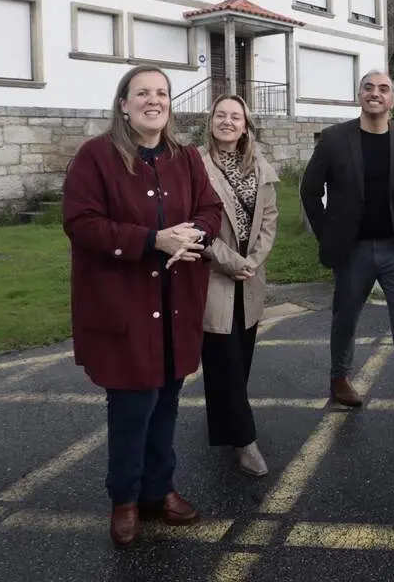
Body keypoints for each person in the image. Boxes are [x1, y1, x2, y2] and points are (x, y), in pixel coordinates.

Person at [62, 65, 223, 549]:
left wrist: (193, 233)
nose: (154, 100)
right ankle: (125, 500)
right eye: (143, 93)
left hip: (176, 305)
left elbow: (210, 211)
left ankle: (159, 490)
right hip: (124, 305)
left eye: (162, 93)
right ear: (124, 104)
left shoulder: (186, 157)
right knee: (133, 406)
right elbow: (80, 222)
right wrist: (153, 239)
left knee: (168, 402)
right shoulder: (96, 156)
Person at [298, 71, 394, 430]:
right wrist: (327, 233)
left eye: (384, 89)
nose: (375, 93)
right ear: (359, 95)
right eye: (369, 88)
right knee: (345, 319)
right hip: (352, 250)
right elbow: (309, 190)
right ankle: (339, 378)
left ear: (392, 100)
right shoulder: (334, 139)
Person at [199, 94, 278, 477]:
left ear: (245, 126)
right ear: (210, 121)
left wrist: (252, 261)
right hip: (214, 277)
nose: (227, 121)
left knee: (239, 361)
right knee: (224, 361)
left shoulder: (258, 166)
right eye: (221, 115)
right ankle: (245, 442)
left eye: (236, 116)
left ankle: (226, 424)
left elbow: (269, 218)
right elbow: (193, 226)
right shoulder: (194, 165)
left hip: (249, 279)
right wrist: (231, 263)